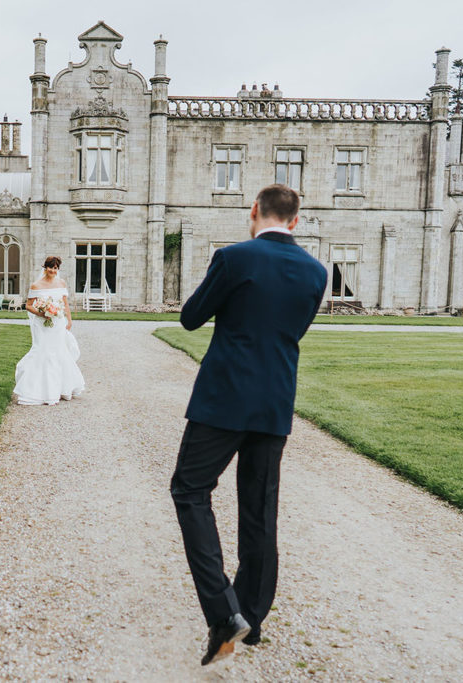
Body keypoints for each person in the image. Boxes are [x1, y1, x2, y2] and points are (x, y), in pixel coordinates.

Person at [171, 184, 327, 665]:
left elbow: (191, 318)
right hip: (275, 401)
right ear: (296, 221)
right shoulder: (317, 271)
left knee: (190, 491)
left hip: (223, 398)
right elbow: (292, 332)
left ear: (254, 210)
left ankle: (224, 613)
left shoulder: (234, 257)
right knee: (260, 509)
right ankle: (252, 620)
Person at [13, 256, 86, 406]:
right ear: (45, 268)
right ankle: (37, 390)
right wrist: (42, 313)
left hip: (58, 323)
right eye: (50, 267)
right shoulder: (36, 285)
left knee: (59, 352)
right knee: (43, 351)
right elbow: (28, 305)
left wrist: (69, 320)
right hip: (42, 324)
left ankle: (62, 388)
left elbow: (65, 304)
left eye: (55, 268)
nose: (53, 270)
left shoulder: (61, 283)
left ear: (58, 269)